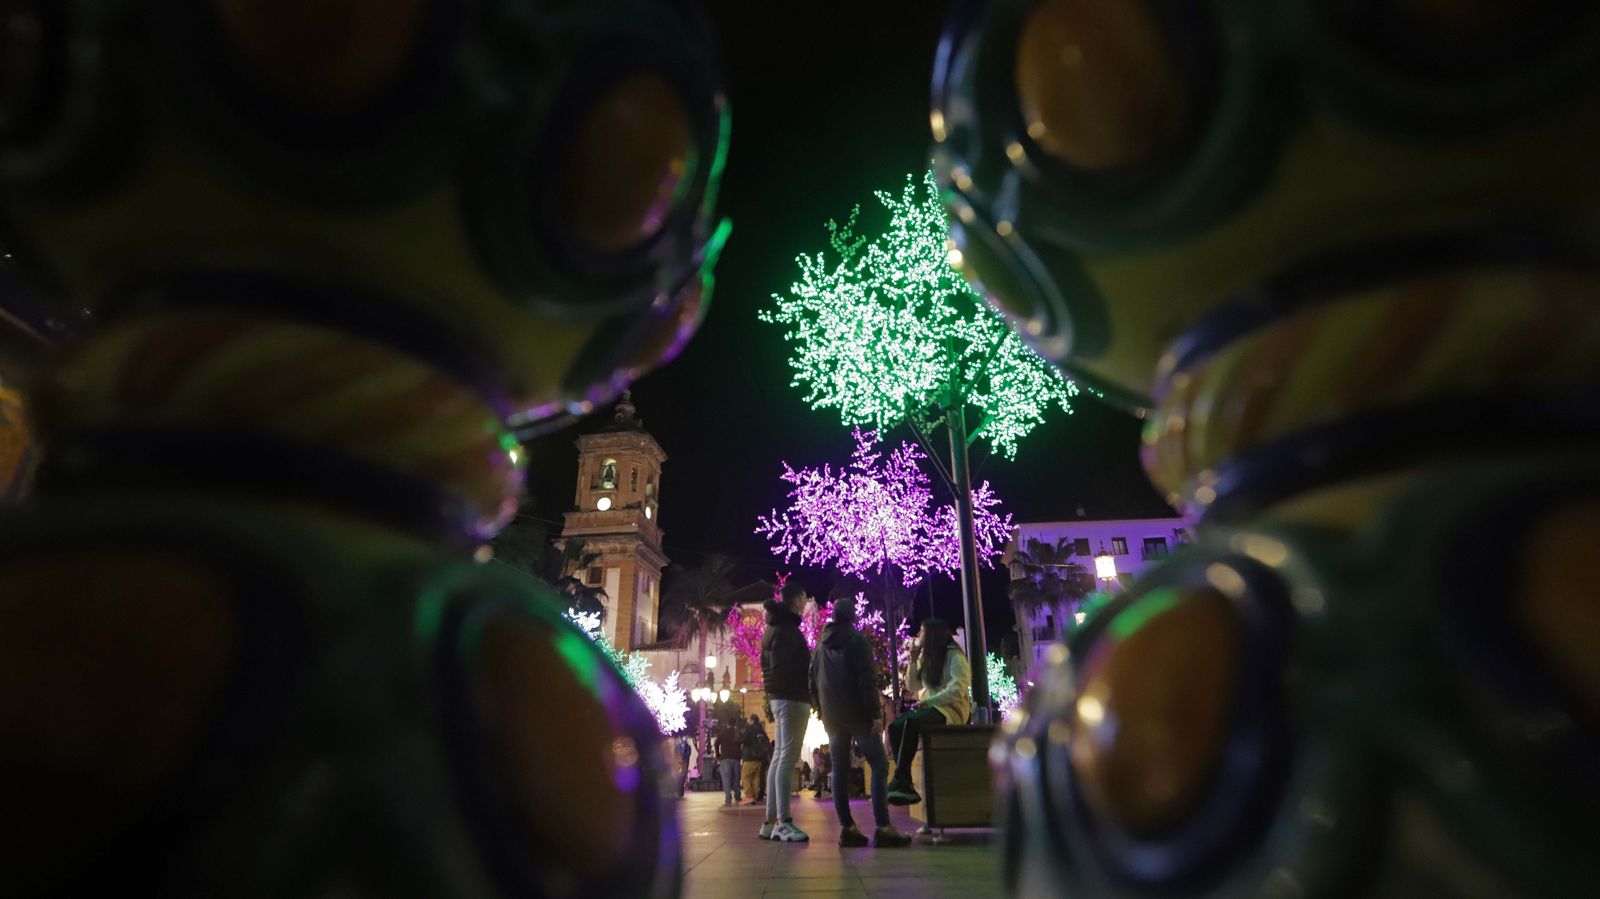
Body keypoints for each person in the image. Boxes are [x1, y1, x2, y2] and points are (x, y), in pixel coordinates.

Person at [809, 598, 912, 848]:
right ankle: (883, 827)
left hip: (833, 716)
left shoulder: (819, 647)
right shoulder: (857, 641)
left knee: (839, 770)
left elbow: (811, 683)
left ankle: (848, 828)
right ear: (852, 616)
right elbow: (867, 681)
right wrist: (876, 715)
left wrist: (822, 711)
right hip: (858, 713)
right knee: (878, 763)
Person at [887, 619, 972, 806]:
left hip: (951, 711)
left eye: (921, 632)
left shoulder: (954, 656)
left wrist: (928, 702)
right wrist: (913, 660)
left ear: (932, 635)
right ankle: (905, 781)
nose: (918, 636)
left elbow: (957, 689)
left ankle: (901, 780)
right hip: (931, 707)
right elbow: (913, 686)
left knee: (912, 723)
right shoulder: (927, 657)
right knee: (894, 727)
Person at [758, 579, 813, 842]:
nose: (805, 605)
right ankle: (783, 822)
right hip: (791, 696)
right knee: (787, 757)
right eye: (803, 599)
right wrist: (806, 682)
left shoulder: (775, 627)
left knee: (780, 757)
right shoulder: (785, 629)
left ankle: (770, 821)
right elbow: (785, 667)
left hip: (781, 697)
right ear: (795, 600)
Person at [713, 717, 743, 806]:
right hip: (736, 758)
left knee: (726, 778)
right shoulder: (738, 732)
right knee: (736, 778)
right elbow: (742, 743)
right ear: (735, 724)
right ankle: (737, 795)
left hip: (725, 758)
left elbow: (716, 743)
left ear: (727, 724)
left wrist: (718, 755)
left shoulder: (722, 732)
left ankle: (728, 797)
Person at [740, 715, 766, 805]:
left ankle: (748, 796)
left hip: (749, 757)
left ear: (751, 720)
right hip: (759, 757)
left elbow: (743, 739)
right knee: (756, 777)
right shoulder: (761, 729)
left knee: (745, 776)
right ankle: (755, 796)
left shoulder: (749, 728)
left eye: (748, 719)